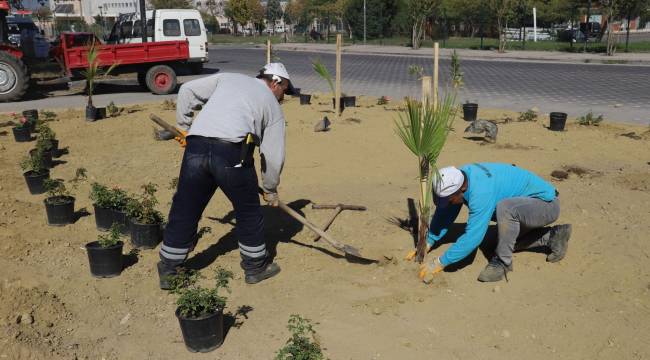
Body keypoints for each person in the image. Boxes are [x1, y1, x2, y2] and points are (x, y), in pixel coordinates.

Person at [157, 63, 296, 289]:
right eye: (285, 90)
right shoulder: (272, 105)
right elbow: (273, 157)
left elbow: (187, 91)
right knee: (248, 211)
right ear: (275, 83)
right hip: (232, 153)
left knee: (185, 207)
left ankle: (169, 270)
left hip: (197, 146)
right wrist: (270, 189)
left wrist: (184, 127)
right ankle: (255, 267)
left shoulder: (228, 78)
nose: (283, 97)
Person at [416, 163, 572, 283]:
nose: (447, 203)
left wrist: (440, 262)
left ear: (462, 189)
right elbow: (447, 210)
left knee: (505, 209)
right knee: (493, 243)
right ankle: (552, 236)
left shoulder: (480, 191)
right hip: (524, 207)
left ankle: (502, 263)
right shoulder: (461, 177)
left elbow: (472, 237)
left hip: (545, 205)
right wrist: (429, 241)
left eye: (449, 199)